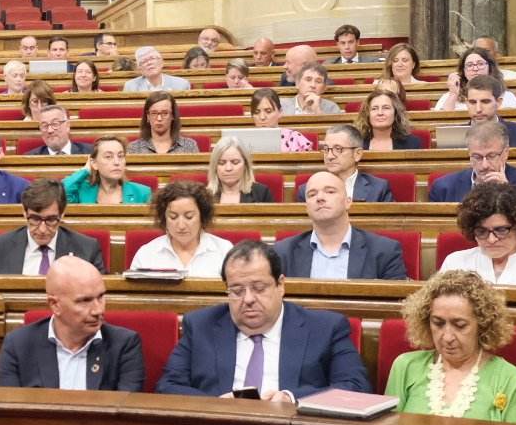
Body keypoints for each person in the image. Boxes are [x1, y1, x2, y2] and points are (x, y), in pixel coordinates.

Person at [157, 240, 370, 399]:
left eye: (259, 288)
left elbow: (355, 386)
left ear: (280, 285)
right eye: (237, 290)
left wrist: (292, 398)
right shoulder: (201, 325)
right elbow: (167, 386)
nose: (248, 299)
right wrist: (215, 405)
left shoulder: (325, 328)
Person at [384, 270, 516, 423]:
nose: (447, 337)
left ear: (483, 324)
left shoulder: (511, 379)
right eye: (438, 323)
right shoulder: (406, 366)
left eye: (460, 325)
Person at [0, 256, 143, 390]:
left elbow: (125, 415)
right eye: (84, 301)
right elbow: (12, 414)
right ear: (55, 305)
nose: (98, 310)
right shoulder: (18, 345)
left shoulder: (124, 345)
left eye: (101, 297)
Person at [274, 170, 408, 280]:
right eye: (312, 194)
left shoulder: (385, 251)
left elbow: (396, 308)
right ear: (306, 207)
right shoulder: (282, 252)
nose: (320, 198)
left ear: (348, 202)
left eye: (330, 191)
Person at [0, 180, 107, 275]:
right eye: (35, 219)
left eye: (50, 220)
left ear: (62, 214)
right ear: (24, 213)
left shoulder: (87, 249)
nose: (42, 229)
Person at [428, 121, 516, 202]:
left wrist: (509, 193)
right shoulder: (443, 189)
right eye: (477, 157)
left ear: (505, 153)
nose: (484, 165)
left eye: (491, 156)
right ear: (469, 154)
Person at [129, 181, 232, 276]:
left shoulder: (224, 250)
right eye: (173, 217)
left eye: (189, 217)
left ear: (202, 216)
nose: (181, 226)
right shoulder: (146, 254)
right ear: (164, 218)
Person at [296, 125, 394, 201]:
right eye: (326, 149)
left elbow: (387, 226)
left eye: (338, 149)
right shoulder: (307, 190)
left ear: (357, 154)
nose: (330, 156)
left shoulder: (378, 188)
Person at [63, 136, 152, 205]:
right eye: (108, 157)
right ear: (94, 163)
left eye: (120, 156)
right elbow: (62, 190)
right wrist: (85, 170)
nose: (117, 162)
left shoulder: (142, 192)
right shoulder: (83, 192)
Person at [459, 75, 516, 148]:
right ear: (466, 102)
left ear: (498, 102)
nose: (478, 109)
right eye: (472, 102)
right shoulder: (451, 135)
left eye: (485, 102)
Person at [433, 47, 516, 112]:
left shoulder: (506, 96)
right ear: (463, 71)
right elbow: (442, 123)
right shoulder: (449, 96)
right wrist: (453, 95)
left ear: (489, 67)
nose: (475, 69)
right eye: (470, 65)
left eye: (480, 64)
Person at [207, 137, 275, 204]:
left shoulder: (262, 193)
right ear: (215, 167)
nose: (228, 168)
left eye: (235, 162)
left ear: (245, 165)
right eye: (222, 163)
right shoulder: (205, 197)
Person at [127, 92, 198, 155]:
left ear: (172, 115)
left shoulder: (189, 146)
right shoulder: (134, 149)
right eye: (154, 113)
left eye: (164, 113)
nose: (159, 118)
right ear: (148, 116)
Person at [249, 88, 314, 152]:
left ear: (280, 112)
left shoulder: (295, 138)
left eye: (268, 111)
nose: (262, 117)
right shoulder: (243, 140)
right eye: (257, 112)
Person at [357, 89, 422, 151]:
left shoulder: (412, 143)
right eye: (374, 108)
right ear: (367, 114)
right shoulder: (356, 143)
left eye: (386, 108)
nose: (380, 113)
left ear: (395, 113)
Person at [26, 105, 92, 156]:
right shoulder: (30, 158)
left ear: (67, 126)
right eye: (45, 126)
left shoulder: (90, 153)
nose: (50, 130)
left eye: (55, 124)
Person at [121, 46, 190, 93]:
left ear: (162, 62)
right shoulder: (130, 87)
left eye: (152, 58)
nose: (149, 63)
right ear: (140, 69)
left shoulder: (181, 84)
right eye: (144, 61)